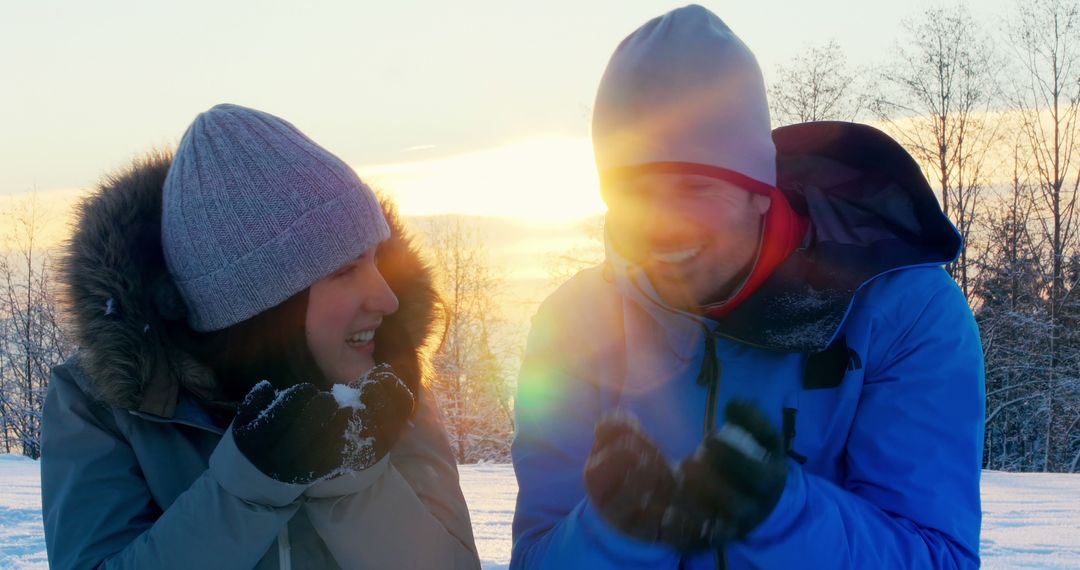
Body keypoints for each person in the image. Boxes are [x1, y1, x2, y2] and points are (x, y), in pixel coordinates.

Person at [511, 5, 984, 569]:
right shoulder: (576, 322)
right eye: (634, 191)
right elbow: (536, 558)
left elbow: (938, 557)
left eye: (693, 187)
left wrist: (783, 518)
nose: (660, 225)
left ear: (761, 189)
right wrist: (613, 533)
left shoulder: (902, 311)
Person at [41, 104, 481, 569]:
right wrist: (246, 489)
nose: (386, 299)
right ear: (256, 303)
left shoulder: (389, 377)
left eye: (376, 259)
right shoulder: (103, 404)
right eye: (345, 270)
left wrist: (353, 482)